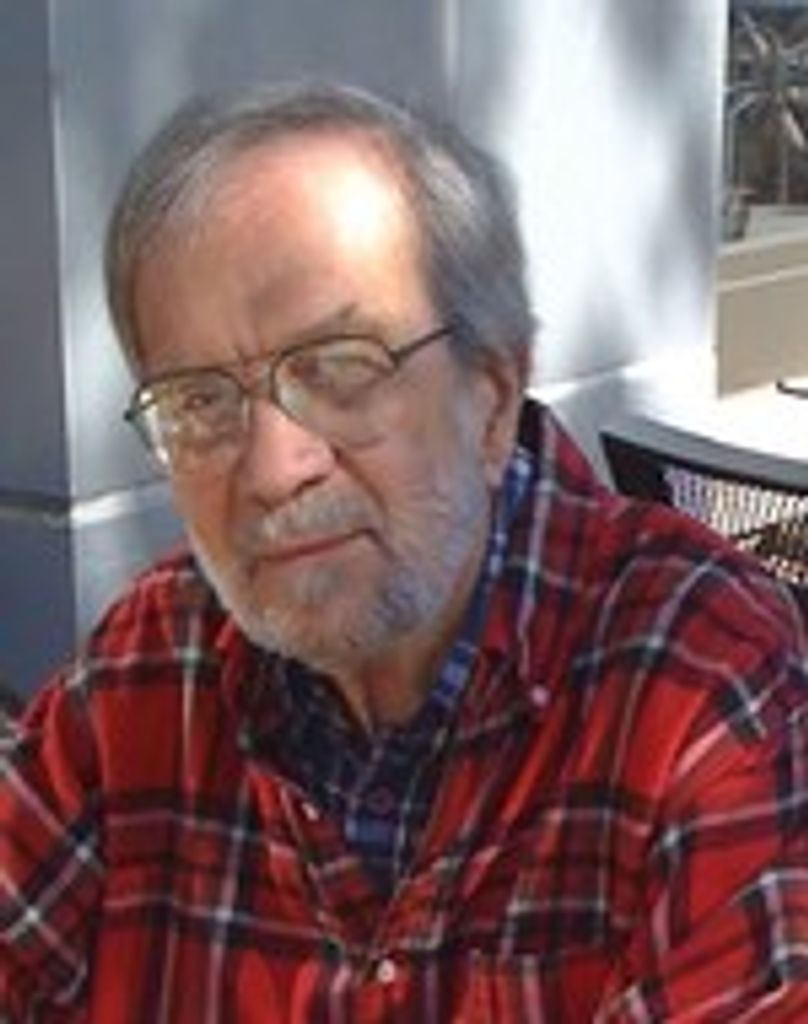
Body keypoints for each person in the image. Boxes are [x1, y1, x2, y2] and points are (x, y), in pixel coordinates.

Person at [1, 80, 806, 1023]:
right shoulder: (150, 666)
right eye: (200, 401)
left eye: (340, 369)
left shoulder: (704, 686)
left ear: (491, 399)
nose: (272, 469)